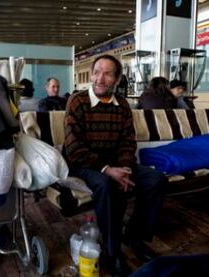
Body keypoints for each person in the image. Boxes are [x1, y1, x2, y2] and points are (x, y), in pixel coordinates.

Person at [64, 55, 167, 277]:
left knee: (156, 180)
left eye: (108, 73)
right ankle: (113, 251)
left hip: (116, 163)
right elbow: (74, 148)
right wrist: (108, 170)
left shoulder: (122, 105)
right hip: (84, 163)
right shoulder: (77, 101)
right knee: (106, 184)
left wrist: (125, 169)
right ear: (91, 75)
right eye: (97, 72)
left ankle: (135, 236)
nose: (100, 78)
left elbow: (128, 143)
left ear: (118, 79)